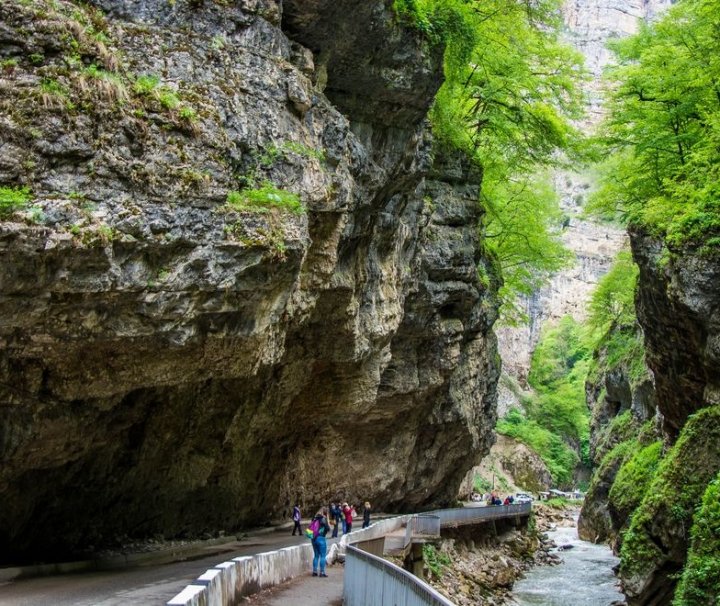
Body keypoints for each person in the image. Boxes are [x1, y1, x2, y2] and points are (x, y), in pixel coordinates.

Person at [310, 506, 331, 577]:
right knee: (322, 556)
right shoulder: (323, 519)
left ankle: (314, 571)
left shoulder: (314, 518)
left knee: (316, 555)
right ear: (326, 513)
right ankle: (322, 572)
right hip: (321, 538)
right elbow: (328, 529)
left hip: (313, 538)